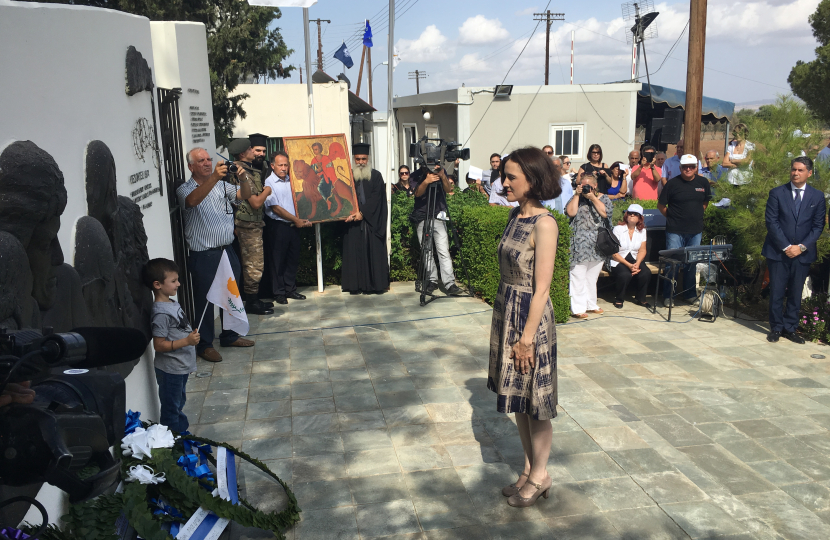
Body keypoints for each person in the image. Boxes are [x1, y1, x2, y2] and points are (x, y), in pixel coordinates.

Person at [487, 146, 560, 508]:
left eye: (512, 176)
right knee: (518, 398)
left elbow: (542, 287)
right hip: (508, 310)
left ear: (533, 179)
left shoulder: (545, 224)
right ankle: (530, 468)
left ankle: (542, 475)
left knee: (537, 403)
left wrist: (527, 339)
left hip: (530, 321)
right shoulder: (515, 215)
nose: (505, 181)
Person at [176, 147, 255, 363]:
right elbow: (192, 202)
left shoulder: (222, 185)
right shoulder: (185, 189)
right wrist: (212, 178)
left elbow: (245, 195)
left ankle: (229, 335)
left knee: (231, 293)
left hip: (226, 249)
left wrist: (243, 178)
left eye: (209, 159)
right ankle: (204, 344)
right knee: (205, 301)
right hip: (204, 253)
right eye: (201, 160)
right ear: (191, 166)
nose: (207, 163)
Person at [763, 157, 826, 344]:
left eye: (800, 170)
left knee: (796, 292)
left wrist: (801, 247)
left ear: (809, 173)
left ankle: (790, 328)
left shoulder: (817, 196)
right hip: (778, 252)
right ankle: (775, 327)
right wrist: (786, 247)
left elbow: (817, 226)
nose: (795, 173)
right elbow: (771, 222)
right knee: (777, 291)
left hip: (802, 254)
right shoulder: (777, 193)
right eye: (793, 169)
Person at [143, 258, 199, 433]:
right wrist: (187, 341)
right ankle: (173, 442)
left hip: (180, 367)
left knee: (179, 403)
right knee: (171, 409)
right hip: (170, 370)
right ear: (157, 284)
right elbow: (159, 345)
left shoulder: (172, 303)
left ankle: (182, 434)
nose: (179, 284)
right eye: (173, 281)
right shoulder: (160, 313)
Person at [657, 154, 712, 306]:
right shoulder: (672, 184)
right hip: (674, 230)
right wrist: (673, 217)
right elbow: (661, 206)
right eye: (685, 167)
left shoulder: (703, 182)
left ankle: (689, 294)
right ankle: (668, 296)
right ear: (680, 168)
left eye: (691, 166)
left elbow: (705, 203)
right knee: (672, 264)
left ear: (696, 168)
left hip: (695, 231)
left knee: (691, 263)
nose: (688, 169)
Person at [227, 138, 273, 315]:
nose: (254, 152)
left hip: (252, 222)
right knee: (253, 264)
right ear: (241, 153)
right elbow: (255, 202)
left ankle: (254, 299)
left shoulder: (247, 169)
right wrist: (267, 190)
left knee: (255, 263)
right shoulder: (241, 173)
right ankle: (251, 302)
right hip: (247, 224)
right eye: (250, 150)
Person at [262, 151, 311, 305]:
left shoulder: (293, 180)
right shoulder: (268, 183)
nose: (283, 168)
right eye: (280, 165)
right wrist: (296, 220)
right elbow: (275, 208)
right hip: (277, 226)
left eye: (286, 165)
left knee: (292, 259)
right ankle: (279, 293)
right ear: (272, 166)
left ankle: (290, 289)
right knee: (277, 261)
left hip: (293, 226)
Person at [341, 143, 390, 294]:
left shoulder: (376, 176)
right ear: (354, 159)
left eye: (363, 159)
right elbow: (343, 196)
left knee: (372, 253)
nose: (361, 162)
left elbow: (377, 198)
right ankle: (355, 286)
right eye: (358, 159)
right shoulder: (347, 176)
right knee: (354, 254)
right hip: (352, 224)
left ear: (368, 158)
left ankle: (375, 285)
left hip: (371, 222)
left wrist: (362, 213)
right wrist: (348, 213)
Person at [410, 164, 463, 296]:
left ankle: (449, 283)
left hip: (438, 215)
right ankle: (431, 280)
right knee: (427, 251)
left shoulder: (441, 171)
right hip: (422, 216)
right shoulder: (416, 175)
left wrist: (442, 175)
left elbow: (448, 189)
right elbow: (417, 193)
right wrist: (427, 181)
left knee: (443, 250)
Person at [566, 173, 613, 318]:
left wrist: (592, 198)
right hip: (579, 245)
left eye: (588, 186)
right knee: (577, 277)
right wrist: (576, 195)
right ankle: (578, 308)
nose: (586, 188)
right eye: (582, 185)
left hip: (598, 245)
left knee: (592, 278)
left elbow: (606, 213)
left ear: (595, 186)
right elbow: (570, 212)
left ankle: (591, 304)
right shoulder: (576, 199)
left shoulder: (603, 198)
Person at [610, 204, 652, 309]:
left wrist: (637, 264)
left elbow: (642, 250)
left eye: (635, 214)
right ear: (626, 215)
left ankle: (641, 298)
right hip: (619, 259)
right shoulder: (618, 229)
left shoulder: (642, 231)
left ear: (640, 217)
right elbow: (614, 253)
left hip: (634, 258)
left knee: (646, 273)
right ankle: (619, 299)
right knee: (625, 274)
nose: (632, 215)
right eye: (630, 213)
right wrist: (629, 266)